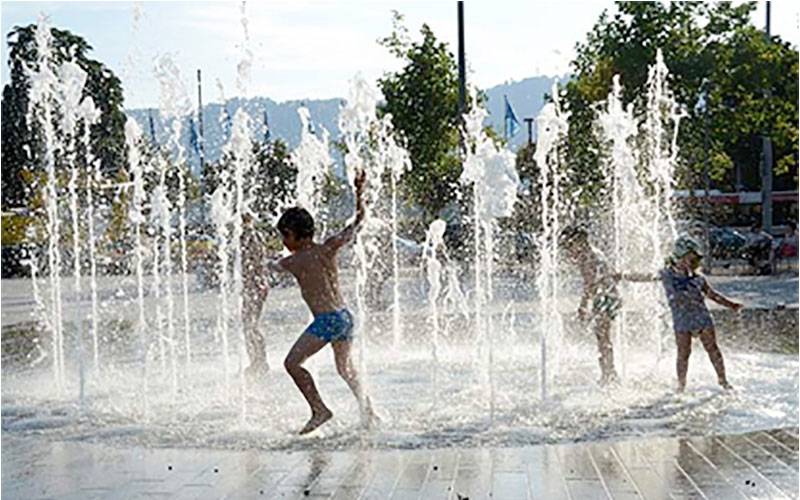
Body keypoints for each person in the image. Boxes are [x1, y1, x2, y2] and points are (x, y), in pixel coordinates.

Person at [267, 170, 378, 435]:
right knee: (345, 368)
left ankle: (319, 410)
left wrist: (257, 258)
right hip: (345, 317)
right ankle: (368, 410)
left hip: (327, 321)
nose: (284, 242)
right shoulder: (329, 247)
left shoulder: (293, 261)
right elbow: (359, 222)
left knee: (292, 364)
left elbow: (271, 266)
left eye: (285, 237)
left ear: (293, 234)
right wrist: (359, 192)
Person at [622, 235, 742, 393]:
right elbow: (644, 277)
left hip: (701, 317)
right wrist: (622, 276)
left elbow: (712, 295)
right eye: (691, 260)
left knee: (712, 349)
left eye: (696, 261)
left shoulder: (698, 279)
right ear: (680, 258)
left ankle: (723, 380)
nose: (694, 264)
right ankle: (681, 385)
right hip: (682, 320)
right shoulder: (666, 275)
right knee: (683, 353)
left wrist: (731, 304)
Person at [559, 226, 620, 386]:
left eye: (569, 244)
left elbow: (589, 284)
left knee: (602, 337)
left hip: (604, 298)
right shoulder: (595, 252)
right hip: (610, 296)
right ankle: (609, 372)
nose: (568, 250)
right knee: (603, 337)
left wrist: (583, 306)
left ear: (579, 241)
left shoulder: (586, 257)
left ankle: (609, 374)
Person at [241, 212, 270, 377]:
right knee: (249, 325)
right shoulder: (249, 236)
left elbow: (259, 262)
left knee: (250, 325)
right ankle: (256, 360)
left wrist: (261, 283)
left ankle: (259, 361)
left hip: (254, 287)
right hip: (251, 286)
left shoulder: (251, 236)